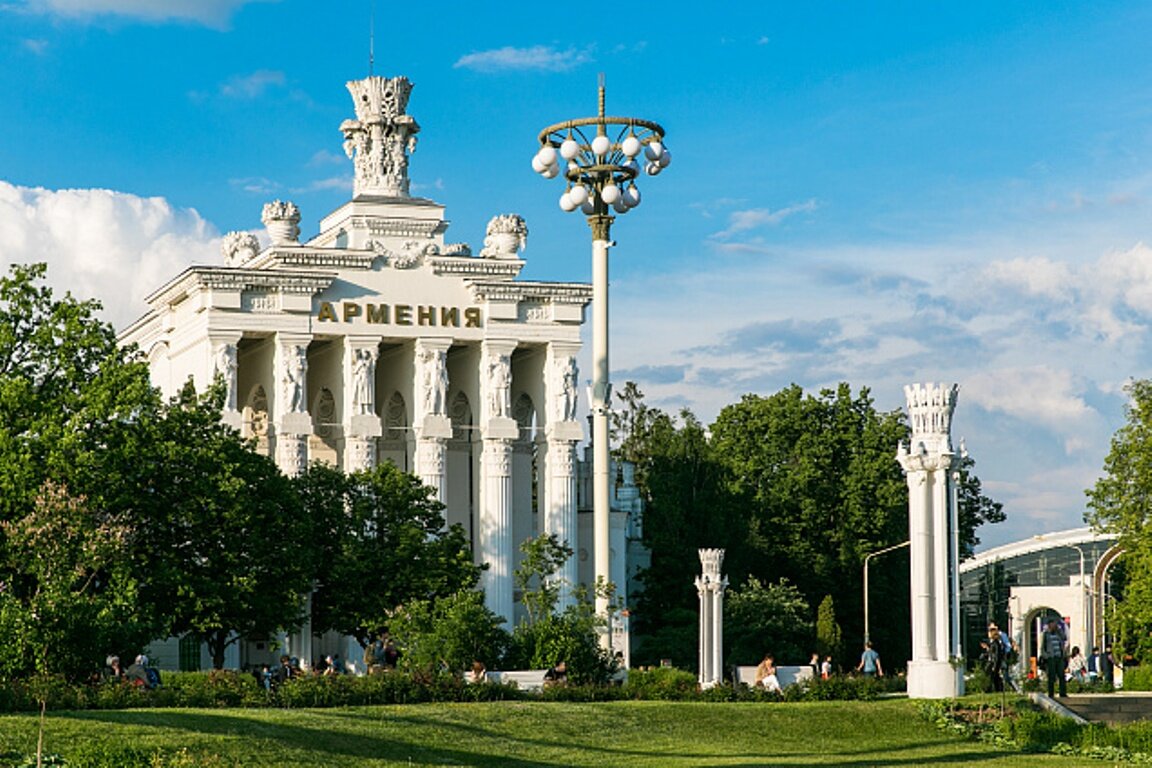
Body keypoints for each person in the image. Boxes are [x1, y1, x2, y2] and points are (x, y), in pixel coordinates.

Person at [1039, 618, 1068, 698]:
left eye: (1055, 624)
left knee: (1061, 675)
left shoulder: (1058, 633)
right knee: (1051, 676)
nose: (1054, 626)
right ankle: (1051, 693)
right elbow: (1043, 646)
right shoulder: (1046, 634)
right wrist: (1046, 656)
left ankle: (1063, 693)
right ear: (1049, 625)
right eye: (1052, 624)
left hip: (1059, 656)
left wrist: (1059, 630)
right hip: (1051, 657)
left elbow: (1064, 638)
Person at [982, 628, 1005, 692]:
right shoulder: (993, 643)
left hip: (993, 663)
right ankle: (997, 689)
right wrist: (987, 648)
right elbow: (992, 653)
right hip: (992, 662)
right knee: (994, 677)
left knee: (991, 677)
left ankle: (989, 689)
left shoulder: (996, 643)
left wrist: (994, 666)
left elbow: (997, 655)